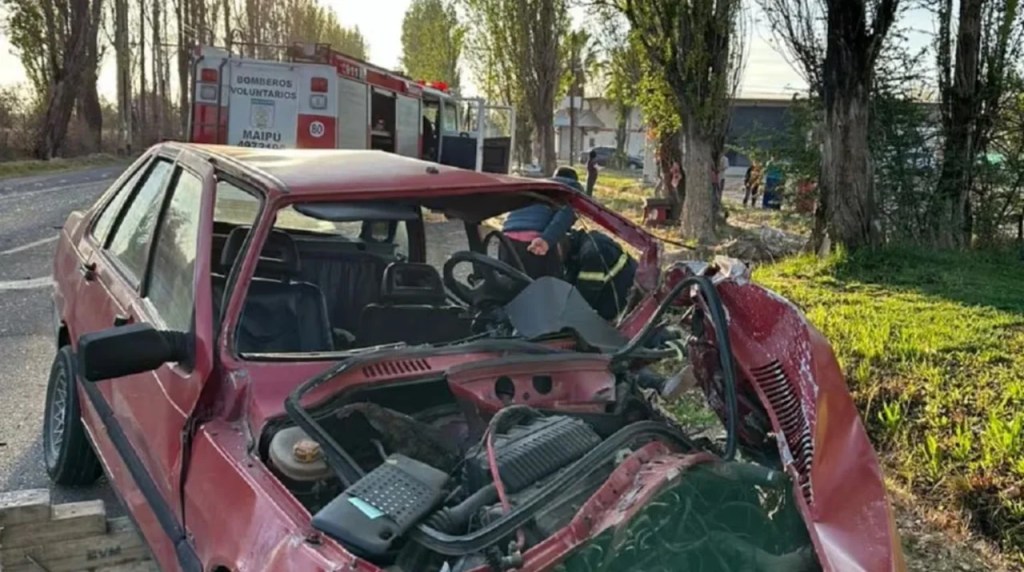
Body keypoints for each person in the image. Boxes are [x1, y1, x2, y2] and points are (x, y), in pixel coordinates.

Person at [499, 167, 580, 279]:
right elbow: (565, 214)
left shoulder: (538, 187)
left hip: (506, 240)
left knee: (510, 287)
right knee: (548, 287)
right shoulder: (571, 188)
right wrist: (547, 240)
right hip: (535, 243)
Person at [564, 228, 638, 321]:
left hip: (629, 313)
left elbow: (581, 303)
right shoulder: (587, 241)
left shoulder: (591, 253)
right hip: (629, 297)